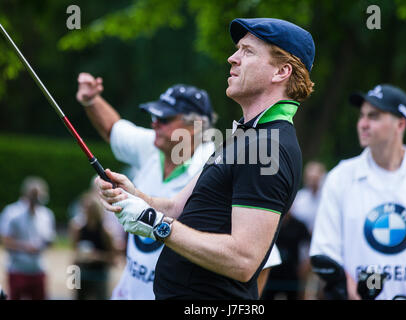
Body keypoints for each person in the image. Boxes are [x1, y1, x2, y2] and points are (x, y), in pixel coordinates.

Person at [96, 17, 315, 299]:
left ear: (281, 71)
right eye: (238, 49)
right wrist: (136, 196)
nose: (232, 58)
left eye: (247, 51)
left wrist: (155, 223)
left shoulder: (268, 147)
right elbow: (177, 207)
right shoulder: (243, 135)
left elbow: (243, 261)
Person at [76, 74, 282, 298]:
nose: (154, 123)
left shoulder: (217, 167)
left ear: (195, 126)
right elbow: (113, 130)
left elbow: (264, 261)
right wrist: (91, 100)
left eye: (164, 119)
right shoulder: (153, 144)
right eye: (153, 116)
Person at [310, 84, 406, 300]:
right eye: (362, 116)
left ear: (400, 124)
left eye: (374, 117)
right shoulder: (339, 177)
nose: (363, 124)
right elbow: (327, 253)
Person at [0, 177, 56, 300]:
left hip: (38, 268)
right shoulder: (12, 212)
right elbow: (5, 240)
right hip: (17, 269)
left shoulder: (46, 214)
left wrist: (45, 244)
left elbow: (50, 239)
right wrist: (25, 247)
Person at [290, 161, 327, 299]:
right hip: (303, 248)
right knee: (302, 285)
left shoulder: (328, 198)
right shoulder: (299, 199)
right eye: (310, 178)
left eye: (315, 178)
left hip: (324, 247)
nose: (312, 182)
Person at [71, 192, 115, 300]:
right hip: (82, 275)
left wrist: (96, 257)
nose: (86, 211)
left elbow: (113, 259)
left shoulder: (106, 233)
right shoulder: (78, 230)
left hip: (99, 277)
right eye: (85, 208)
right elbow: (74, 256)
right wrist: (72, 281)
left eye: (90, 208)